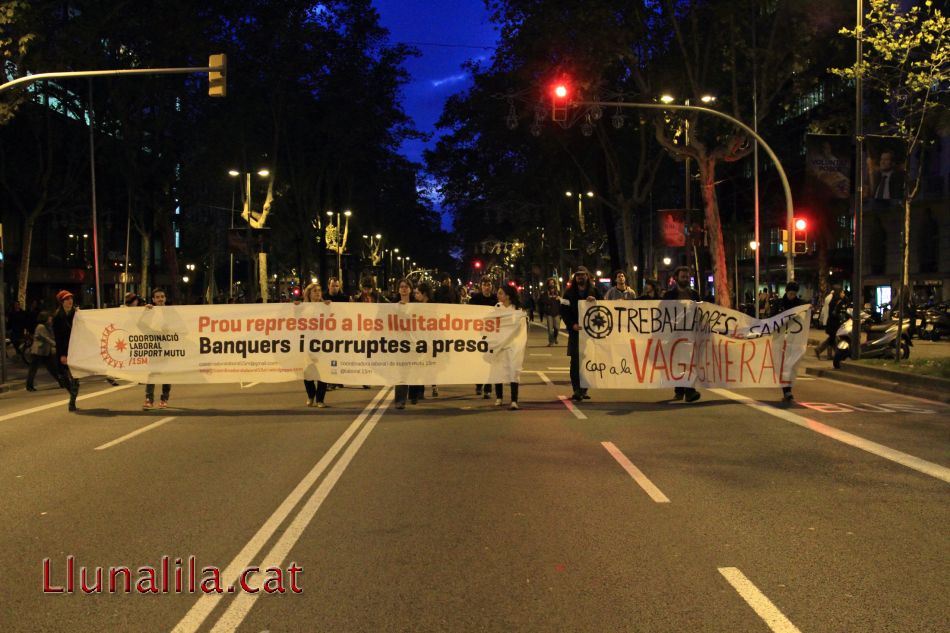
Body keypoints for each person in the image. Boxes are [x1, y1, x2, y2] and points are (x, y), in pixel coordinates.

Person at [561, 266, 601, 401]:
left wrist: (595, 300)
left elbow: (604, 306)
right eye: (577, 275)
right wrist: (572, 325)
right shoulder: (568, 293)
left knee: (588, 360)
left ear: (587, 276)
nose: (580, 277)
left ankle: (584, 389)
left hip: (590, 333)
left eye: (582, 275)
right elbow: (564, 311)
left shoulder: (594, 291)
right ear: (575, 278)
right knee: (576, 362)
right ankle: (577, 389)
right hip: (575, 333)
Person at [663, 267, 701, 403]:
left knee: (688, 361)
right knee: (678, 362)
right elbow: (662, 313)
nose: (685, 279)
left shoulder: (694, 294)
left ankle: (689, 391)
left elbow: (700, 311)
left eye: (687, 277)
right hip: (675, 334)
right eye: (683, 277)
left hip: (690, 334)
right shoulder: (669, 295)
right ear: (676, 278)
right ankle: (680, 390)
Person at [296, 282, 332, 408]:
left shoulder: (326, 306)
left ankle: (320, 399)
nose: (317, 293)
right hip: (307, 343)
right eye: (314, 291)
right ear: (309, 294)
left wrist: (329, 307)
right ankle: (311, 395)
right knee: (308, 371)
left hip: (323, 343)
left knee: (323, 371)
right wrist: (295, 308)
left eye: (319, 290)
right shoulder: (303, 307)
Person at [771, 282, 807, 403]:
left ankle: (788, 390)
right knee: (781, 365)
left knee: (791, 364)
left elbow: (804, 318)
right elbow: (772, 317)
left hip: (794, 339)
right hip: (780, 338)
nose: (792, 295)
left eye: (794, 293)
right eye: (790, 293)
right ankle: (786, 390)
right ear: (786, 292)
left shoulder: (801, 304)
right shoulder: (779, 303)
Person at [393, 279, 424, 409]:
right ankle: (400, 400)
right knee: (401, 372)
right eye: (401, 287)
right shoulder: (393, 306)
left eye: (406, 287)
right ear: (398, 289)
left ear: (410, 289)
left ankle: (414, 395)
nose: (404, 289)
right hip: (400, 344)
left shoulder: (417, 306)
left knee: (415, 370)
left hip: (415, 343)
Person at [493, 284, 523, 410]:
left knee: (513, 370)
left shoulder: (517, 309)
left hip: (513, 344)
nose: (498, 295)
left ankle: (514, 400)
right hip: (500, 344)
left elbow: (520, 327)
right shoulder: (497, 308)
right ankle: (499, 397)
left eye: (500, 293)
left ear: (508, 296)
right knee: (498, 369)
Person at [143, 288, 172, 410]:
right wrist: (146, 312)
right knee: (153, 372)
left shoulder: (172, 312)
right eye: (158, 297)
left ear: (165, 298)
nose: (160, 299)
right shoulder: (150, 311)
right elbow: (140, 325)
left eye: (162, 296)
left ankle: (164, 399)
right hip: (155, 346)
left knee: (168, 373)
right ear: (153, 299)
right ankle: (149, 399)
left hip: (169, 346)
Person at [468, 276, 497, 398]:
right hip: (478, 334)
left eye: (489, 284)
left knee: (490, 361)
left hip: (493, 335)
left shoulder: (496, 299)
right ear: (481, 286)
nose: (487, 286)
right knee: (479, 361)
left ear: (491, 286)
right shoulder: (475, 299)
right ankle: (479, 384)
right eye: (484, 284)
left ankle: (488, 388)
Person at [52, 290, 80, 412]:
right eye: (67, 299)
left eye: (71, 299)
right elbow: (59, 338)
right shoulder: (58, 316)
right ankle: (72, 394)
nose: (70, 301)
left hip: (76, 348)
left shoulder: (76, 313)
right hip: (64, 349)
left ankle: (72, 402)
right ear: (62, 302)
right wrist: (63, 354)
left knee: (75, 376)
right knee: (63, 377)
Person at [26, 311, 62, 391]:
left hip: (45, 351)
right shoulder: (41, 327)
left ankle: (62, 382)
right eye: (49, 317)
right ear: (45, 318)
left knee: (53, 368)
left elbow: (51, 336)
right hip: (38, 352)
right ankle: (29, 386)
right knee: (33, 369)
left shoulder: (47, 326)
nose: (51, 318)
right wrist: (55, 344)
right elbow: (46, 338)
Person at [816, 287, 847, 361]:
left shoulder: (835, 300)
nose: (843, 294)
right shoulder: (836, 302)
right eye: (842, 292)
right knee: (832, 339)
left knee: (831, 339)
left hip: (832, 323)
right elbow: (834, 313)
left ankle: (823, 351)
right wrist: (840, 317)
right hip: (833, 324)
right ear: (838, 293)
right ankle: (836, 355)